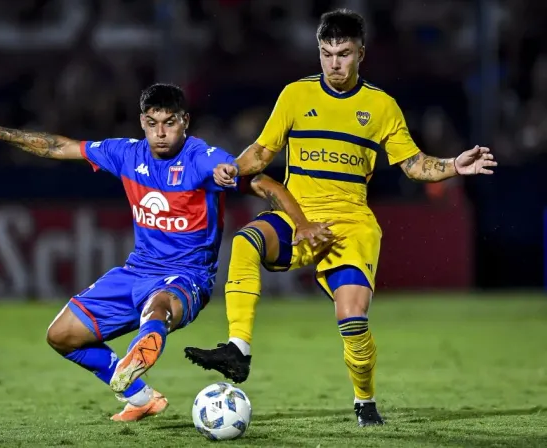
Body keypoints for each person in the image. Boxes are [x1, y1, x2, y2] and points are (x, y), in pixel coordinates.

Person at [184, 9, 497, 427]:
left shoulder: (381, 106)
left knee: (352, 319)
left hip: (350, 224)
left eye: (344, 54)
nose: (334, 63)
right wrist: (232, 168)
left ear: (360, 54)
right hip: (298, 215)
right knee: (246, 241)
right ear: (318, 52)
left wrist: (455, 165)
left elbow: (414, 165)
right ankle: (238, 349)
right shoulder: (295, 95)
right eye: (327, 53)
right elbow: (261, 152)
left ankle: (364, 401)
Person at [0, 83, 331, 422]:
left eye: (169, 123)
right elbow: (60, 147)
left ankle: (140, 352)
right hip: (135, 271)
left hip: (186, 278)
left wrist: (301, 223)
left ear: (185, 121)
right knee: (61, 335)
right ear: (141, 122)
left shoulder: (203, 159)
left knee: (157, 306)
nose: (160, 133)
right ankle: (138, 393)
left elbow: (267, 185)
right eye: (152, 123)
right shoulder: (127, 155)